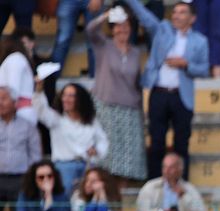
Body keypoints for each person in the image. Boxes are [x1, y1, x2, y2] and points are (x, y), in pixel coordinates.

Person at [128, 0, 209, 180]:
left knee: (181, 144)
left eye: (181, 12)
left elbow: (204, 69)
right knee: (156, 142)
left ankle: (181, 184)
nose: (176, 15)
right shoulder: (163, 29)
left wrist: (185, 64)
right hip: (159, 93)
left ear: (192, 18)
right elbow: (145, 16)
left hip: (182, 96)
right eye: (175, 12)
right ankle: (155, 183)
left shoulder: (200, 41)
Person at [83, 5, 147, 185]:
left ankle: (123, 193)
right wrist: (106, 15)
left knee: (128, 157)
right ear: (112, 29)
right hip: (106, 107)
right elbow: (90, 29)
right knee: (108, 155)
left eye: (126, 25)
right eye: (118, 26)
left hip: (130, 109)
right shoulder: (104, 46)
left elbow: (137, 83)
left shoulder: (135, 52)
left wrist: (142, 110)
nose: (122, 29)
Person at [34, 82, 108, 196]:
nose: (66, 99)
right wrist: (39, 90)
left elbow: (103, 141)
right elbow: (41, 110)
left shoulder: (91, 121)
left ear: (80, 99)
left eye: (71, 96)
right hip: (64, 168)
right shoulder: (56, 119)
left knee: (88, 200)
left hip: (87, 166)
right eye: (64, 95)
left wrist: (96, 150)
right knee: (65, 200)